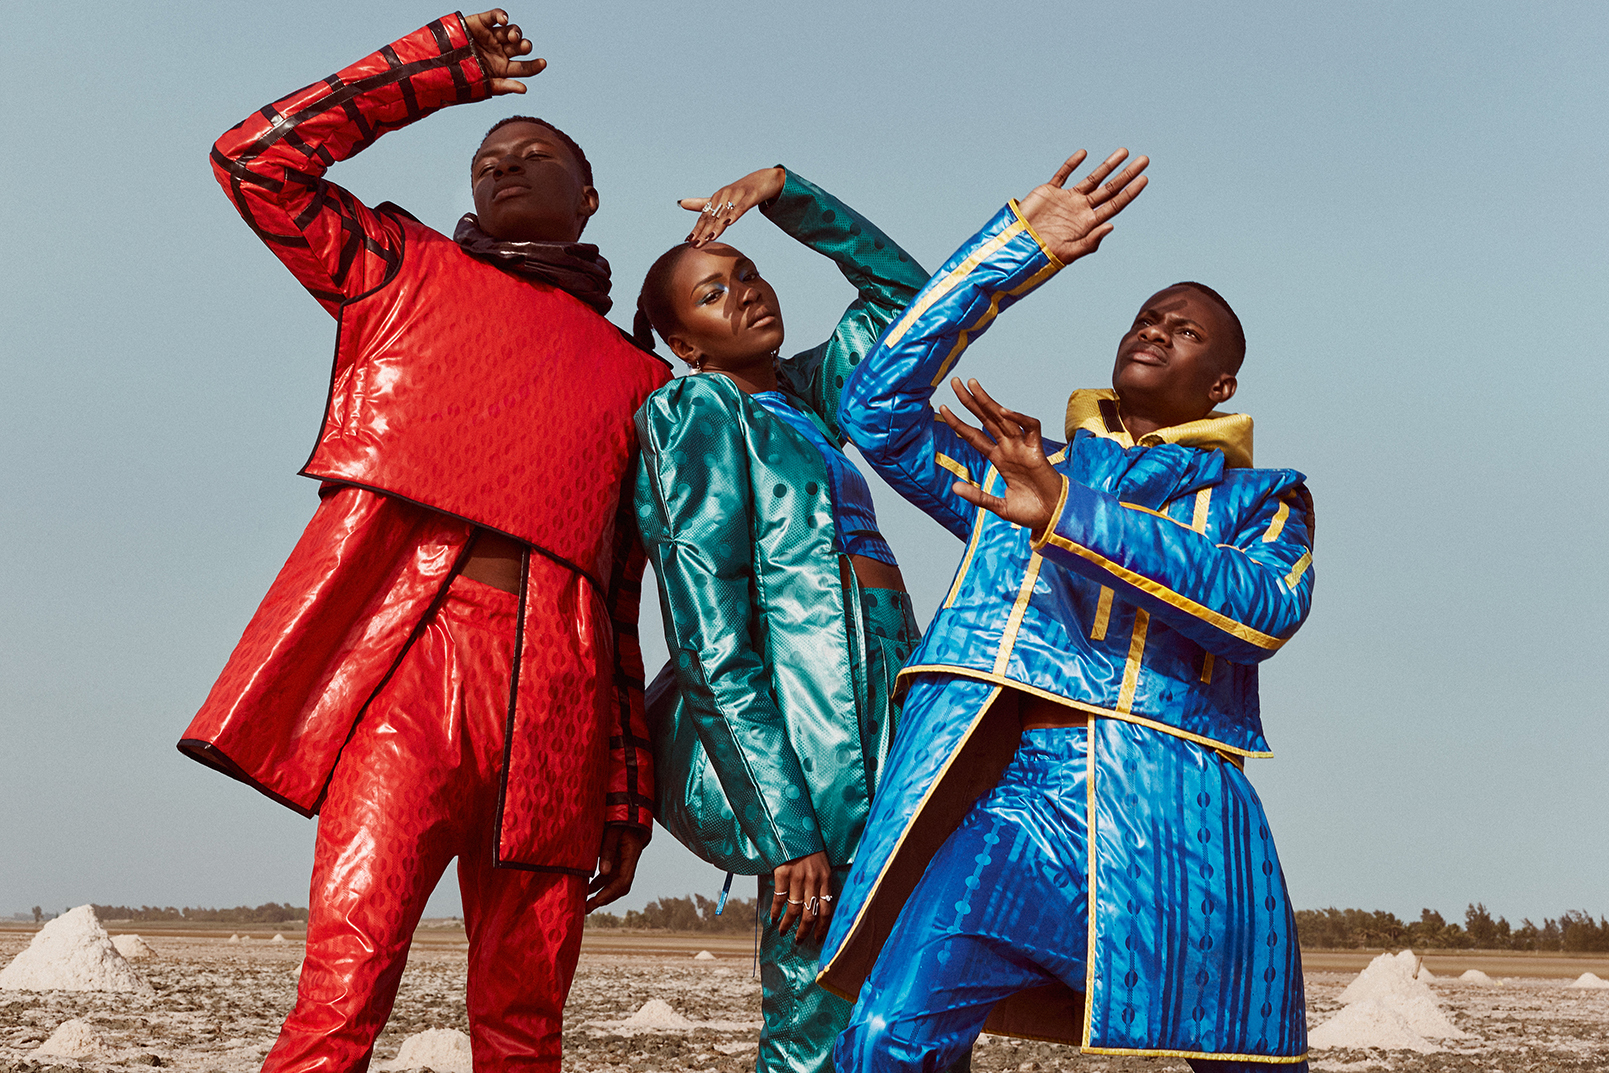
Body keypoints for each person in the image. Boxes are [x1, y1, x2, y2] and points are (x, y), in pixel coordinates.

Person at [177, 11, 669, 1072]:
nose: (505, 162)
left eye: (537, 155)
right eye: (490, 153)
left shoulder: (643, 385)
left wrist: (624, 792)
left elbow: (625, 597)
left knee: (527, 1016)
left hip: (561, 697)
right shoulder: (398, 272)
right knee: (341, 989)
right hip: (408, 661)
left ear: (589, 199)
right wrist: (431, 72)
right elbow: (255, 160)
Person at [820, 150, 1315, 1071]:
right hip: (1009, 798)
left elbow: (1261, 609)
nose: (1157, 331)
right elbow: (875, 406)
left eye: (1187, 331)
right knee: (888, 1034)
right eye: (1145, 317)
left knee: (1232, 1055)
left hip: (1175, 809)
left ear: (1223, 388)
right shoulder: (1022, 462)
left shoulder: (1264, 498)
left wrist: (1064, 512)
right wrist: (1012, 254)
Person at [630, 165, 929, 1073]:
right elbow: (707, 630)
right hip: (809, 735)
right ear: (686, 344)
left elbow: (908, 298)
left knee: (914, 993)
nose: (746, 293)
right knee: (815, 1005)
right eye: (714, 293)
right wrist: (781, 824)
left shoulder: (808, 398)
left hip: (898, 702)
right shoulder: (697, 410)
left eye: (749, 272)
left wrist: (785, 194)